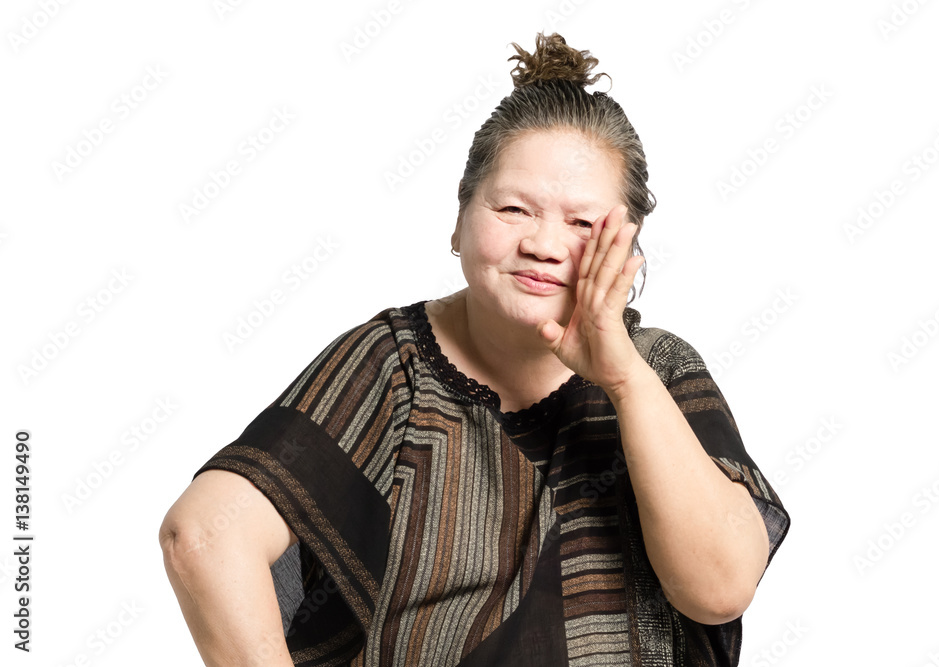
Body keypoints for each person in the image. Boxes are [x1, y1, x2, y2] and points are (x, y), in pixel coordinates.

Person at [159, 31, 790, 666]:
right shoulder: (395, 367)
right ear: (460, 220)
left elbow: (718, 589)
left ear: (628, 246)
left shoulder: (658, 369)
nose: (543, 245)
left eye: (581, 223)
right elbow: (204, 536)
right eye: (513, 209)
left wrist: (624, 379)